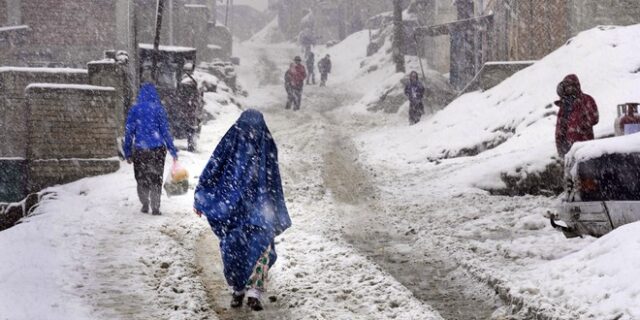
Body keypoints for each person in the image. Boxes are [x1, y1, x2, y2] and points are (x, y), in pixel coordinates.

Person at [194, 109, 291, 312]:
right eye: (248, 129)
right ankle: (238, 289)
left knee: (261, 248)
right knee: (233, 250)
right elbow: (213, 168)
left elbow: (274, 179)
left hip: (259, 210)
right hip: (234, 209)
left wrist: (274, 206)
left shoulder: (266, 145)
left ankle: (255, 292)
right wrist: (202, 196)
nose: (252, 134)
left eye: (255, 129)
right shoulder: (230, 144)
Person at [123, 83, 179, 215]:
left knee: (141, 177)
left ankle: (145, 203)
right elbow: (165, 131)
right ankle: (155, 206)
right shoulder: (159, 109)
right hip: (157, 150)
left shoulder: (135, 109)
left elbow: (129, 132)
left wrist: (128, 152)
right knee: (156, 178)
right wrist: (172, 150)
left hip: (140, 151)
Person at [555, 74, 599, 157]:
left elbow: (594, 118)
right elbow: (560, 127)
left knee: (584, 169)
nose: (569, 89)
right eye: (567, 87)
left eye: (571, 86)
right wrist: (560, 146)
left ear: (576, 85)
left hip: (584, 146)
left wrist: (579, 125)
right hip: (567, 147)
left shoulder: (587, 100)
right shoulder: (564, 104)